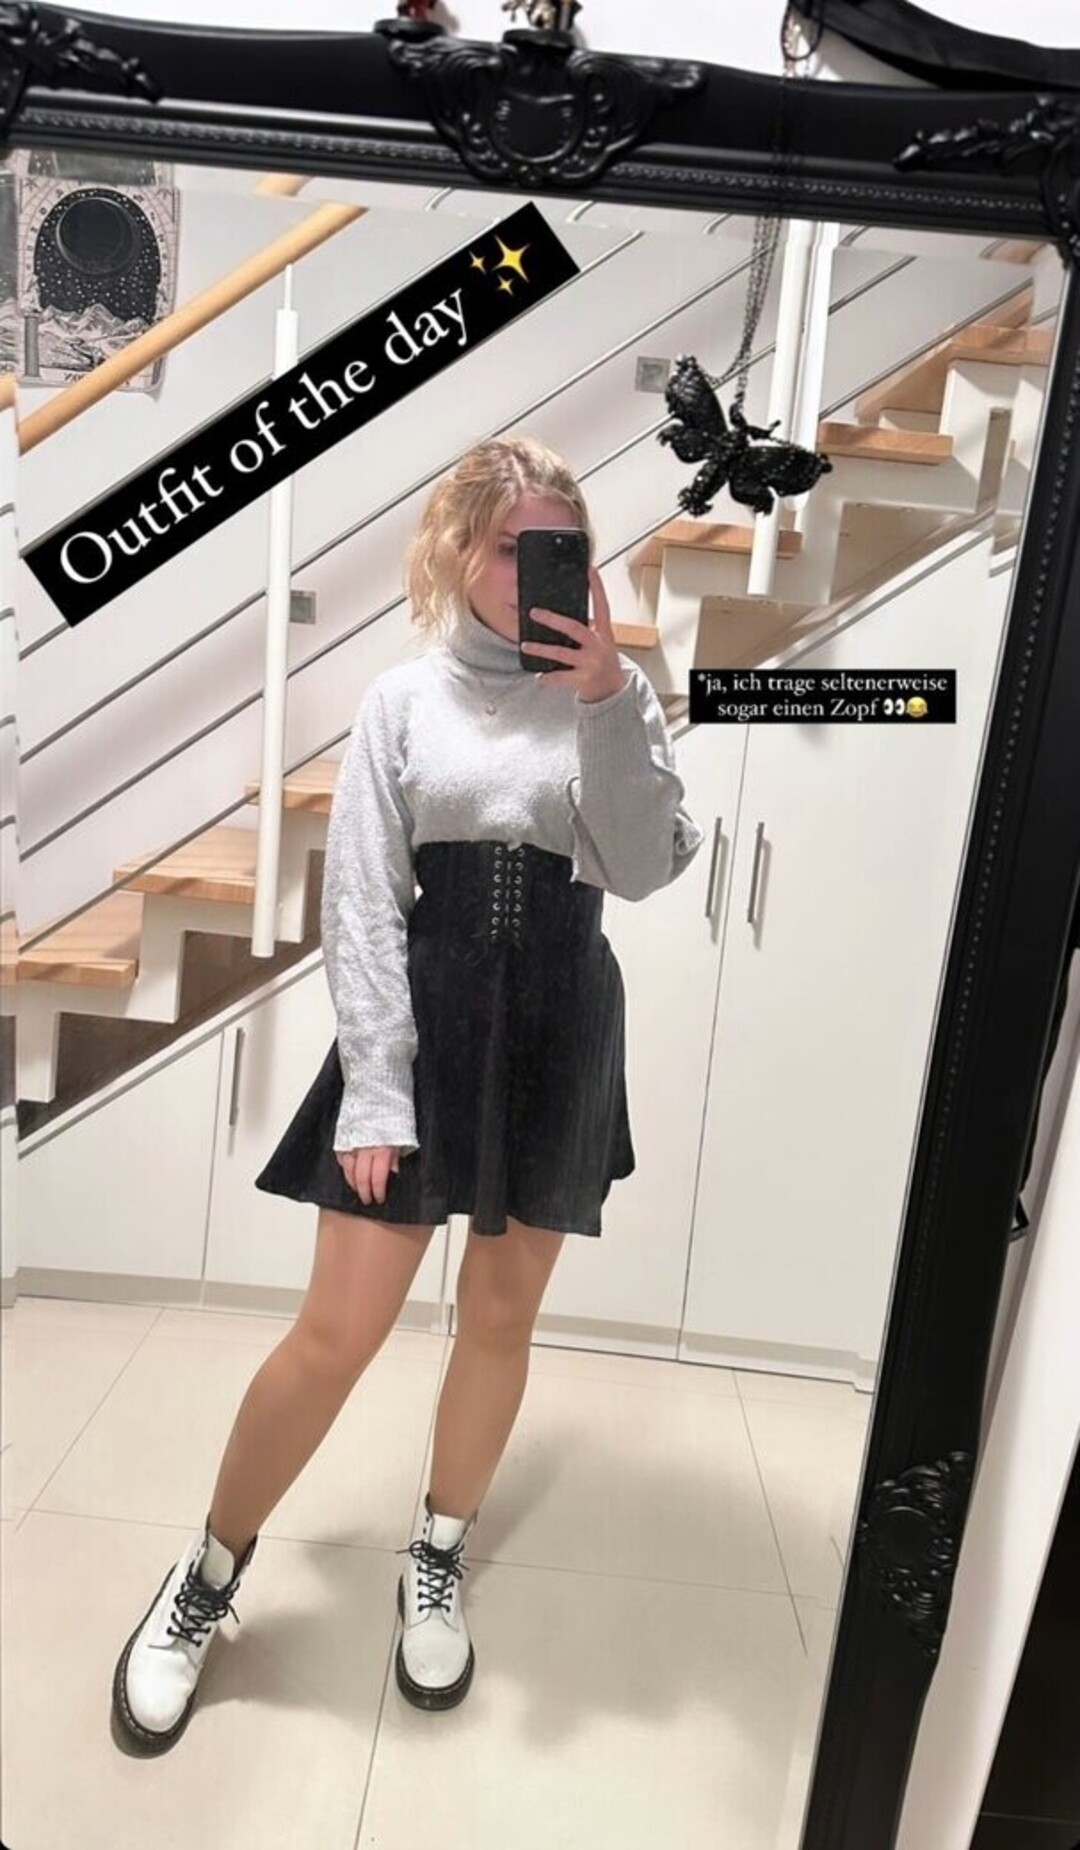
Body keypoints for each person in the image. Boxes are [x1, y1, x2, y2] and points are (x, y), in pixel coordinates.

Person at [111, 434, 705, 1752]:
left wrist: (611, 699)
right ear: (459, 550)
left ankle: (437, 1551)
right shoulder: (402, 701)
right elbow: (366, 905)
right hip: (426, 1027)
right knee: (337, 1332)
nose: (537, 571)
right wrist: (377, 1088)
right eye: (512, 547)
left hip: (562, 1021)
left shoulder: (616, 693)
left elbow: (644, 864)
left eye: (560, 548)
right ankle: (206, 1574)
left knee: (498, 1320)